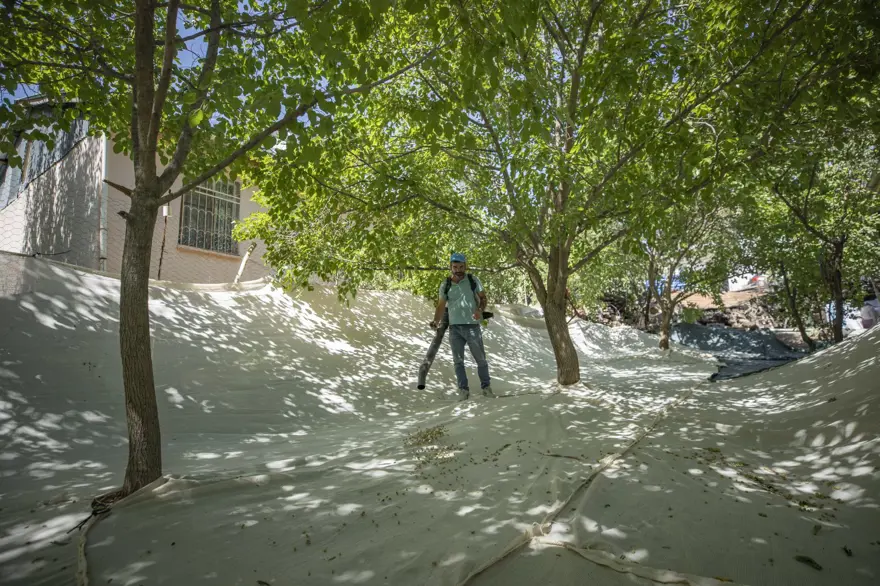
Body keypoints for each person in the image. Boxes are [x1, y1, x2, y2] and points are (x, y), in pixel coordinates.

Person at [430, 253, 493, 400]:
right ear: (450, 267)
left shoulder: (473, 280)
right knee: (458, 361)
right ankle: (463, 390)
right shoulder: (445, 284)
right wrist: (436, 321)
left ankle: (486, 387)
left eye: (461, 267)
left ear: (465, 266)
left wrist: (479, 310)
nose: (458, 270)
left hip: (472, 327)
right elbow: (441, 305)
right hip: (455, 328)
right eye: (455, 267)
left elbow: (483, 298)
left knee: (480, 359)